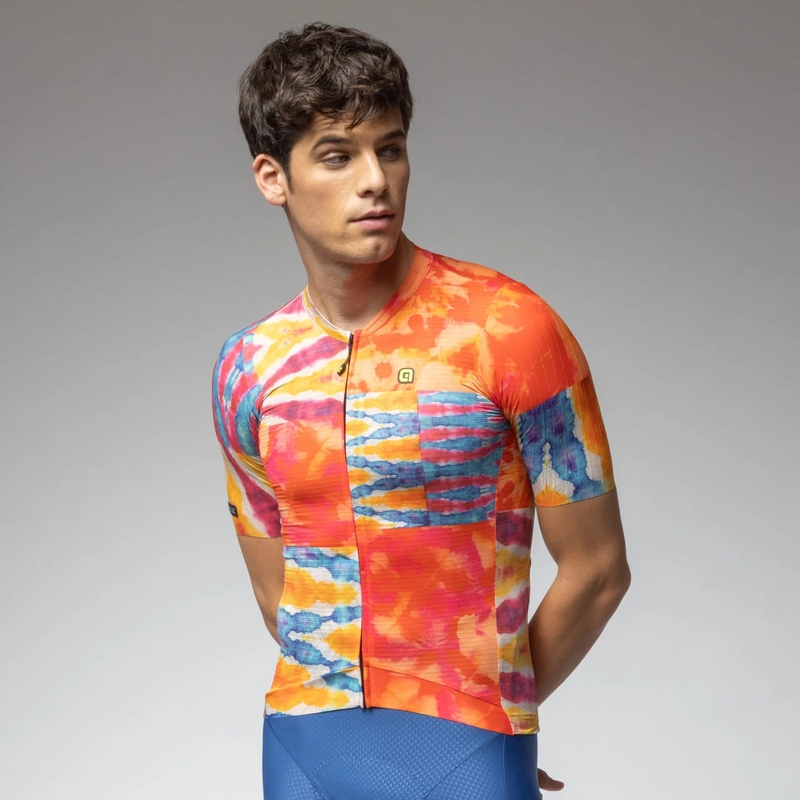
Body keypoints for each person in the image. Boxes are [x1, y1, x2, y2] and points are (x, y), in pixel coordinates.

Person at [212, 21, 631, 800]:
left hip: (469, 744)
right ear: (273, 177)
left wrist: (501, 718)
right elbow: (279, 593)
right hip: (303, 748)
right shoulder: (249, 369)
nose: (375, 179)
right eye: (337, 156)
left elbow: (599, 569)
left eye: (391, 148)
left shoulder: (509, 329)